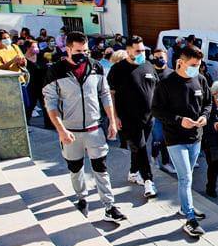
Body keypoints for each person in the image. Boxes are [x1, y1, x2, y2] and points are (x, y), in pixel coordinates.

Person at [42, 32, 125, 222]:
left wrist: (112, 120)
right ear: (68, 49)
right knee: (76, 168)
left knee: (101, 168)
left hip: (94, 129)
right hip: (70, 132)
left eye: (85, 50)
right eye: (79, 51)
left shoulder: (95, 67)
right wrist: (61, 130)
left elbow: (104, 94)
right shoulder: (55, 71)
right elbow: (51, 104)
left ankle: (109, 206)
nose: (83, 54)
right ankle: (82, 198)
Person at [151, 45, 212, 237]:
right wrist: (179, 120)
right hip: (175, 139)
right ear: (181, 62)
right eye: (193, 64)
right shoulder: (166, 83)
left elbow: (208, 104)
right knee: (185, 177)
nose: (197, 68)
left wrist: (204, 117)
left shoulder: (201, 80)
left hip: (196, 138)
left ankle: (185, 207)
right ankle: (190, 218)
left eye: (199, 65)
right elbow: (156, 110)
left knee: (188, 177)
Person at [107, 36, 159, 199]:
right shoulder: (118, 69)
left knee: (139, 147)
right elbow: (111, 95)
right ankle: (148, 181)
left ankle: (133, 172)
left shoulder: (148, 66)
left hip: (149, 117)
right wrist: (114, 117)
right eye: (138, 50)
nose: (142, 53)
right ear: (128, 50)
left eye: (143, 50)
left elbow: (155, 89)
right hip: (129, 118)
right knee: (142, 147)